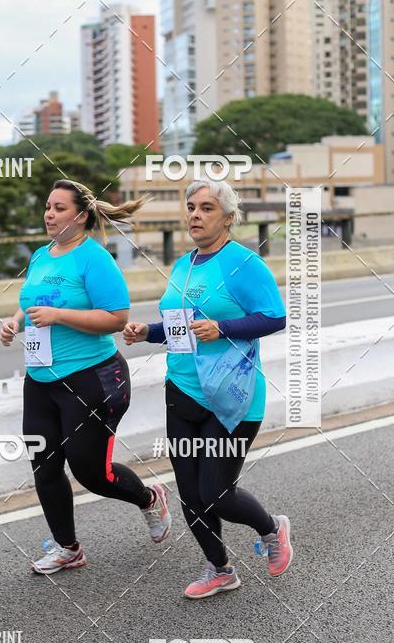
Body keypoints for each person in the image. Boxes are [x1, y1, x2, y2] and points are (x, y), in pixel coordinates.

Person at [123, 177, 292, 599]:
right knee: (189, 491)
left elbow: (274, 317)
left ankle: (272, 529)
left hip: (231, 397)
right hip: (182, 391)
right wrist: (149, 331)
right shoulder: (184, 265)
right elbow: (182, 326)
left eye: (206, 208)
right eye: (192, 207)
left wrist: (224, 328)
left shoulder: (243, 264)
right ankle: (220, 569)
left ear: (229, 219)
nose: (195, 215)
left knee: (215, 493)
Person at [0, 178, 171, 574]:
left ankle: (148, 497)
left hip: (93, 379)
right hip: (41, 380)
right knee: (43, 465)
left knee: (92, 473)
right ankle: (67, 547)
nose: (48, 213)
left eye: (59, 208)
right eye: (47, 206)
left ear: (80, 216)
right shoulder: (42, 256)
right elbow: (35, 304)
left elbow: (116, 318)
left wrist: (59, 316)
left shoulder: (95, 259)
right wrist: (15, 321)